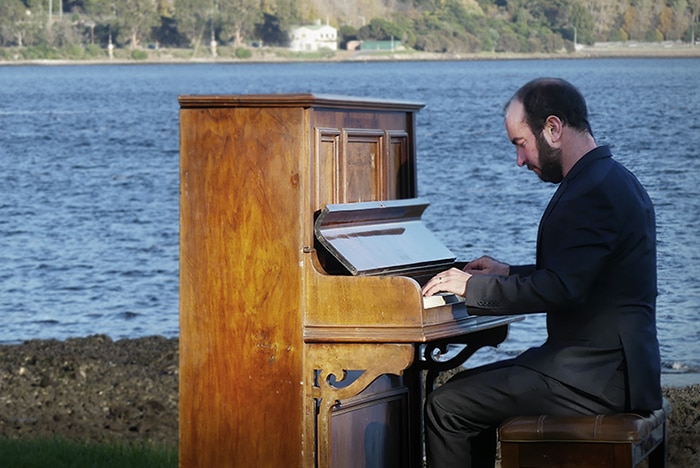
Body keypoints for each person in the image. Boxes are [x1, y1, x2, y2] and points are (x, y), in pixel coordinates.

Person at [420, 78, 662, 468]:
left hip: (596, 378)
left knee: (448, 405)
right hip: (609, 368)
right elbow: (582, 275)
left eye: (520, 144)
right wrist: (505, 273)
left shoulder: (592, 191)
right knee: (462, 390)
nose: (519, 160)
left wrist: (474, 287)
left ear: (553, 128)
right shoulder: (611, 178)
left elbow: (562, 288)